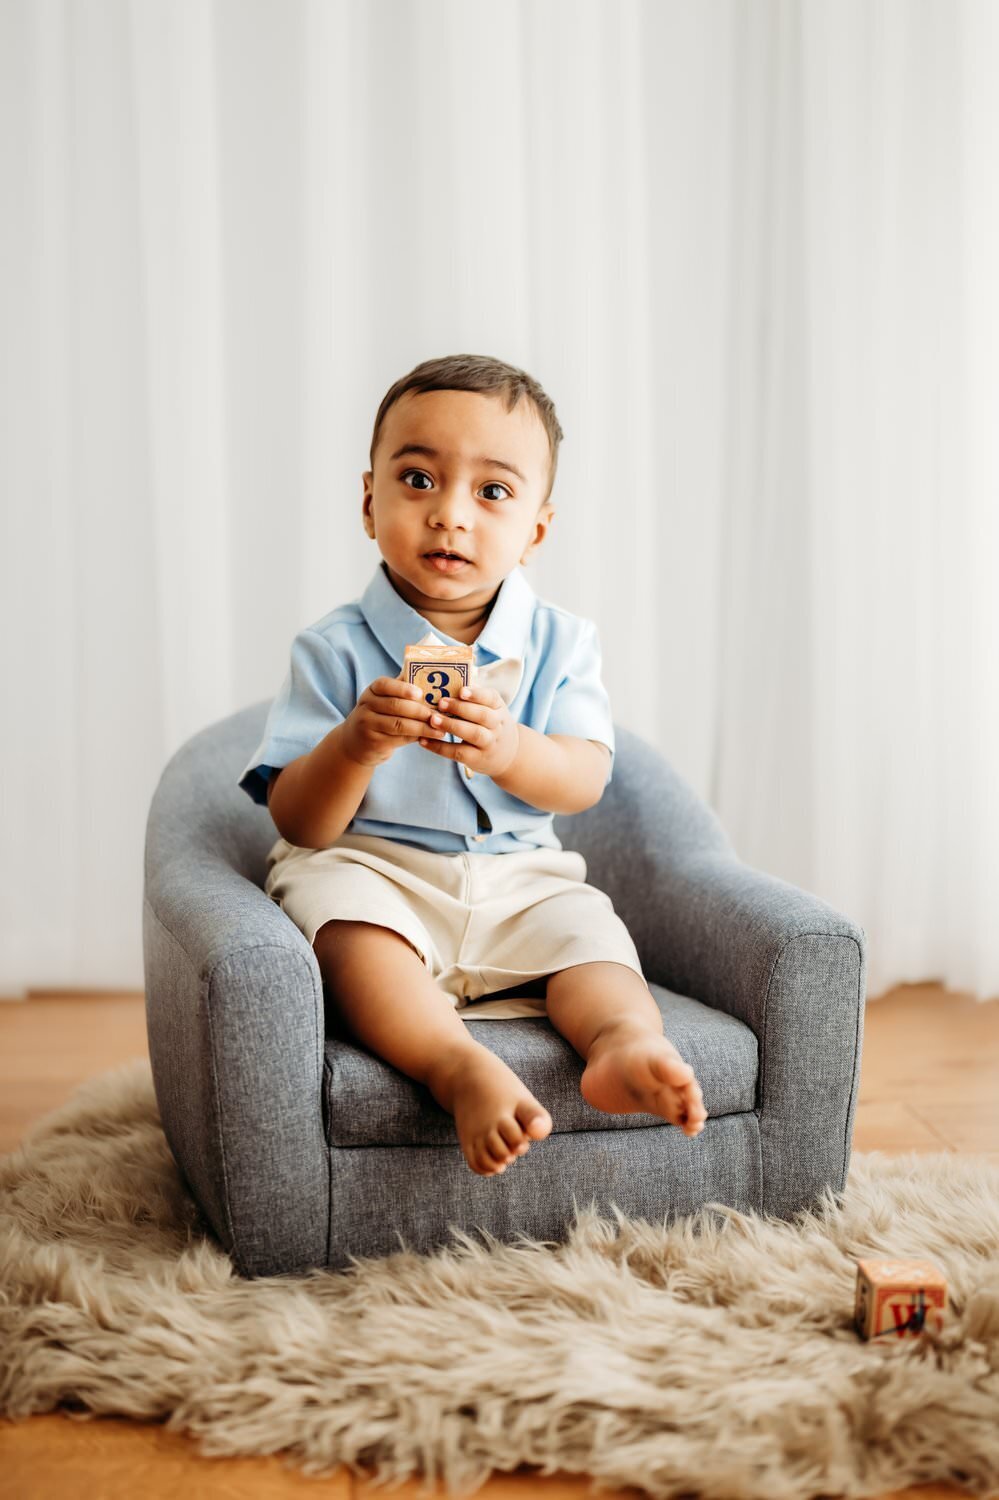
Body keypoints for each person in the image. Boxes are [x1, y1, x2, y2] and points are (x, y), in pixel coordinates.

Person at [237, 353, 707, 1178]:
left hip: (518, 876)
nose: (449, 515)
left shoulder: (563, 643)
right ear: (368, 499)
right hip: (375, 869)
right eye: (417, 479)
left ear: (534, 528)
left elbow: (583, 778)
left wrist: (510, 749)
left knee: (588, 936)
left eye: (491, 492)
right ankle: (454, 1067)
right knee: (344, 924)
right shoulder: (332, 648)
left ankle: (624, 1043)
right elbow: (299, 823)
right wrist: (356, 743)